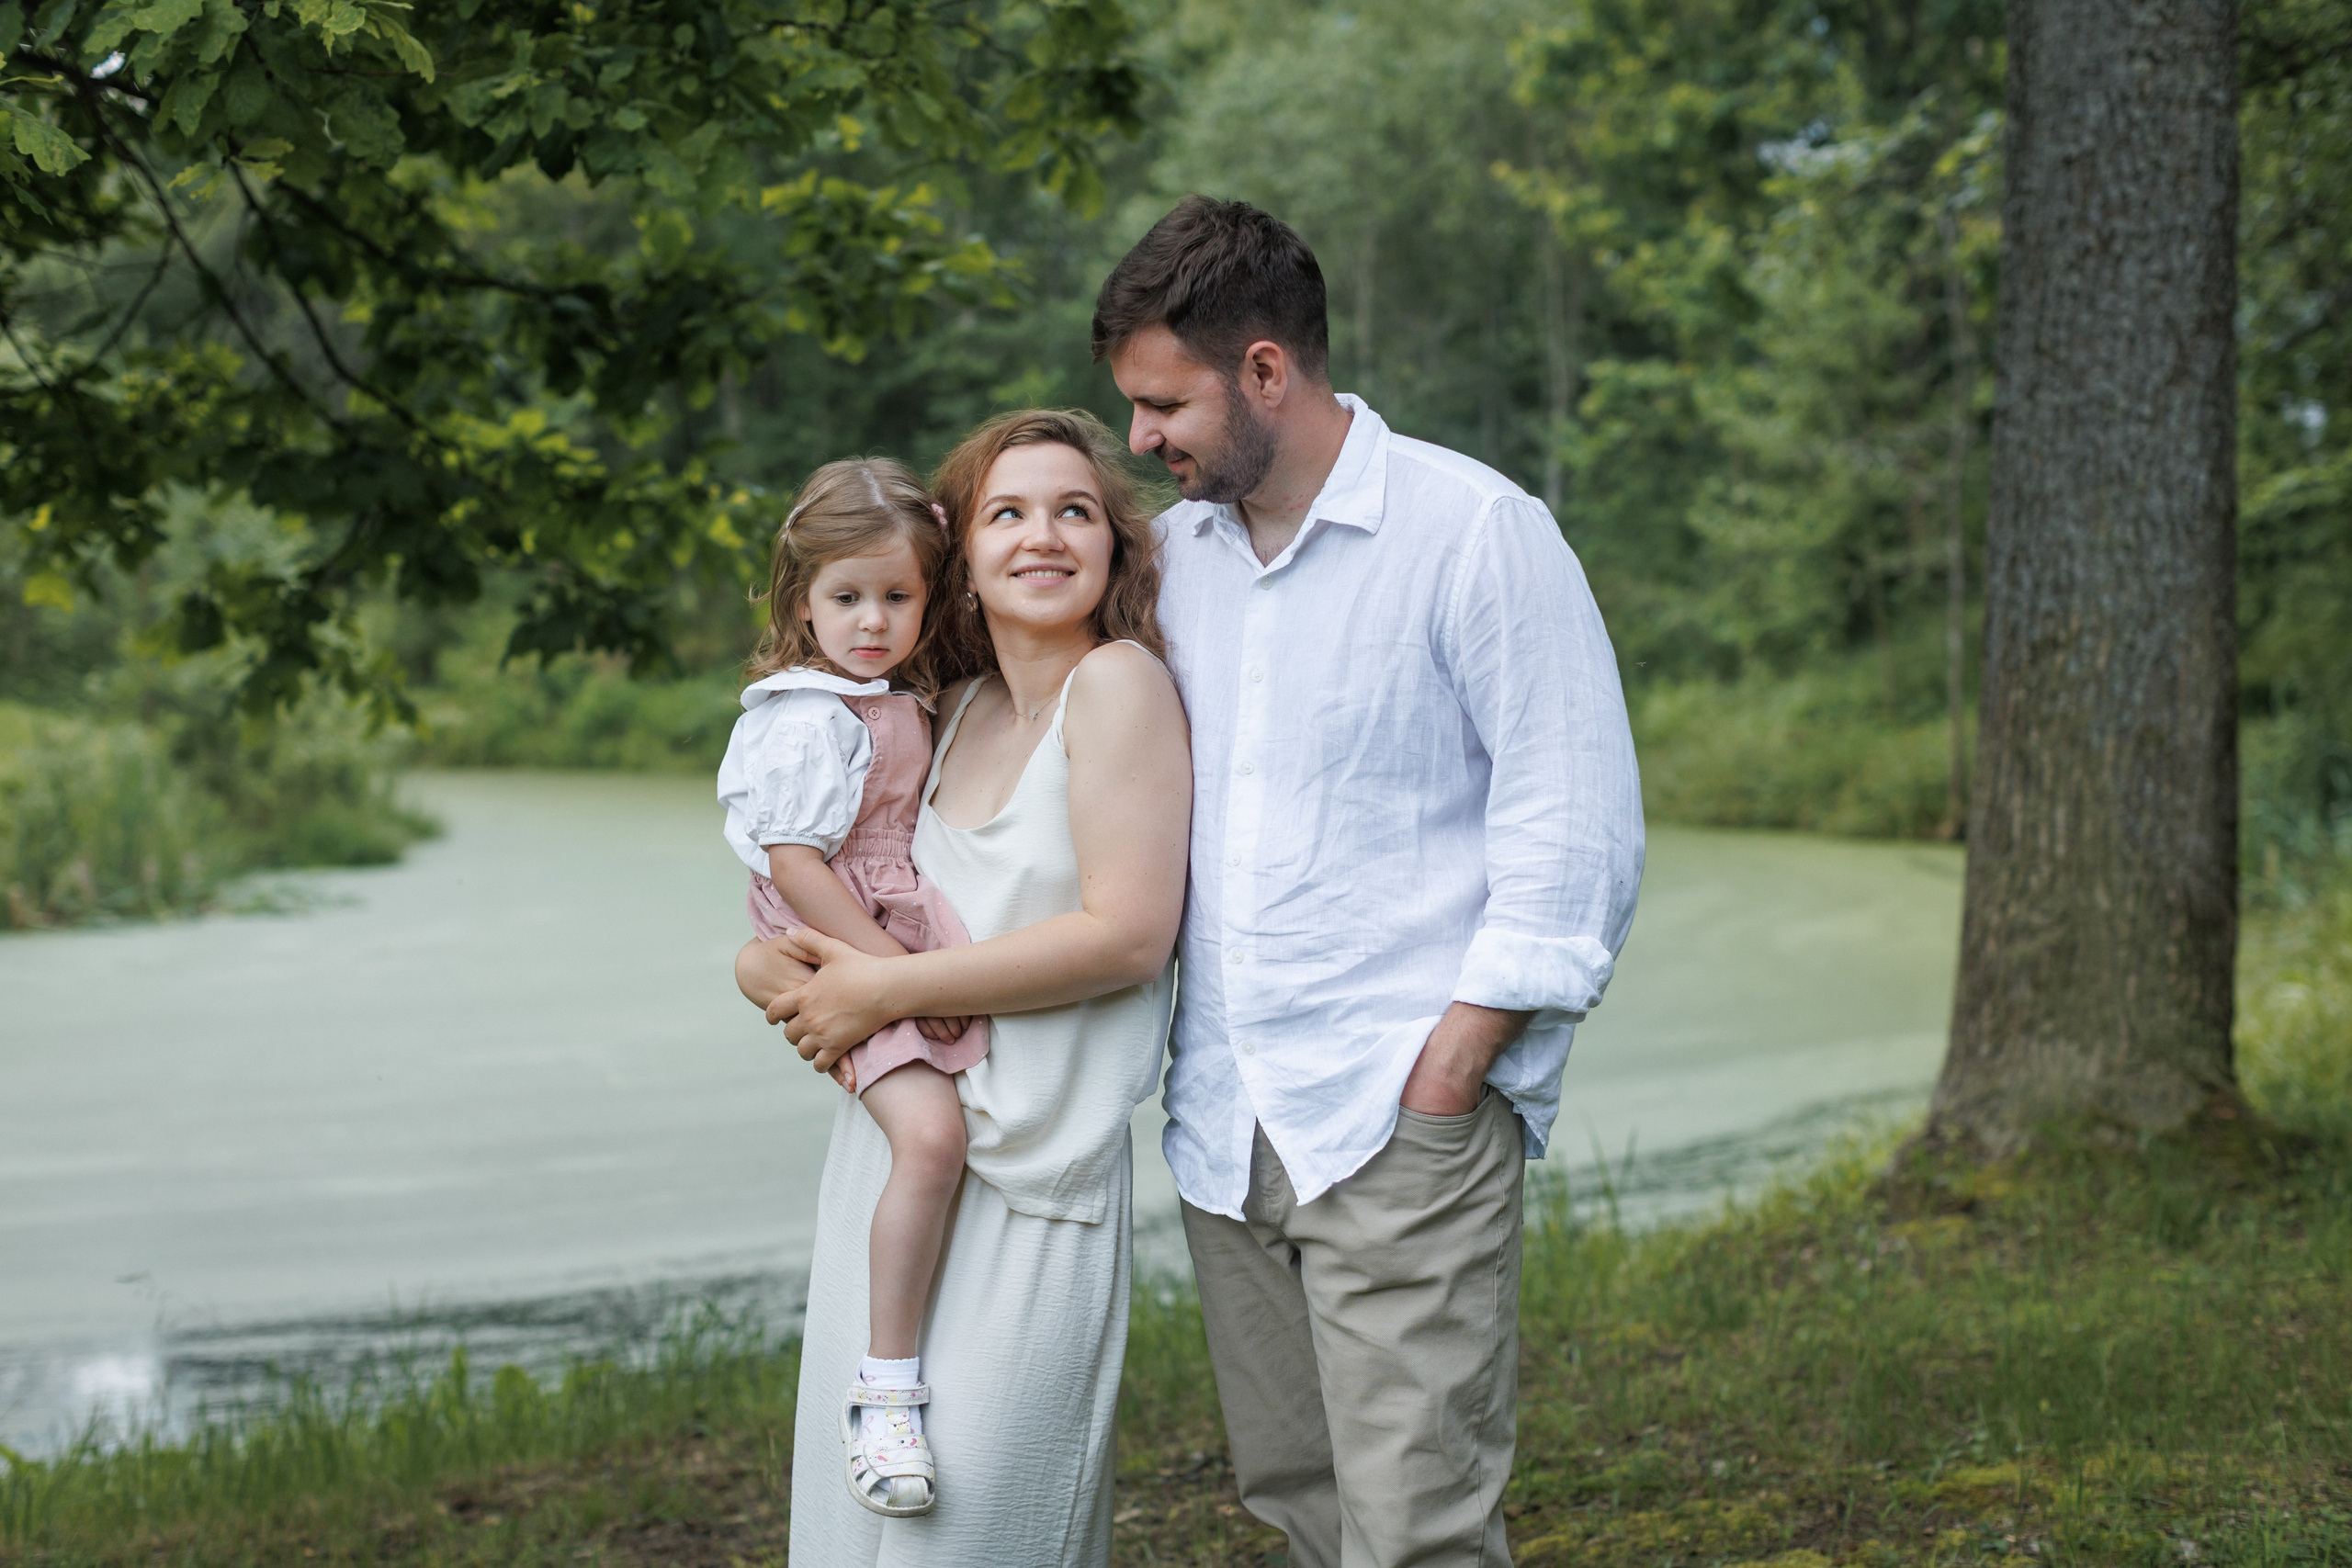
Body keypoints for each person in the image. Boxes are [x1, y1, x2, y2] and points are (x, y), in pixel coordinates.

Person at [1094, 196, 1645, 1566]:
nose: (1139, 440)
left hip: (1398, 1109)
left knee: (1416, 1524)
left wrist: (1457, 1058)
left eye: (1165, 404)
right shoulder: (1172, 563)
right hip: (1224, 1118)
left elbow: (1573, 815)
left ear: (1266, 370)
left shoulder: (1473, 531)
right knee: (1299, 1494)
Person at [739, 409, 1191, 1565]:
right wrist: (762, 968)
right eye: (1008, 513)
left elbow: (1129, 937)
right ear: (963, 561)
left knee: (976, 1535)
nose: (1042, 537)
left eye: (1074, 510)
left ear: (1112, 544)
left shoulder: (1118, 685)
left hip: (1037, 1170)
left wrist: (888, 990)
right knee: (856, 1538)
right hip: (903, 1166)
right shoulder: (946, 709)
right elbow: (826, 880)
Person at [717, 457, 991, 1517]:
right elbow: (793, 865)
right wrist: (891, 977)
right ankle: (885, 1394)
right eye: (845, 598)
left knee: (941, 1140)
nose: (872, 621)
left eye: (896, 596)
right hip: (843, 944)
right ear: (800, 602)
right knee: (929, 1140)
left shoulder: (891, 697)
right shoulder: (805, 717)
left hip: (886, 937)